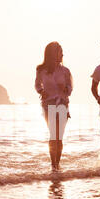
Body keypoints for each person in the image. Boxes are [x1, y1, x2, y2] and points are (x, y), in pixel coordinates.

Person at [35, 42, 73, 170]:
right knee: (53, 135)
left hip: (62, 104)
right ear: (52, 54)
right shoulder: (41, 70)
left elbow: (70, 89)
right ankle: (53, 165)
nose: (62, 54)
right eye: (60, 51)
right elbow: (37, 85)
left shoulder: (65, 71)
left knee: (59, 137)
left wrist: (65, 88)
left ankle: (57, 164)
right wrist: (41, 92)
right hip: (48, 105)